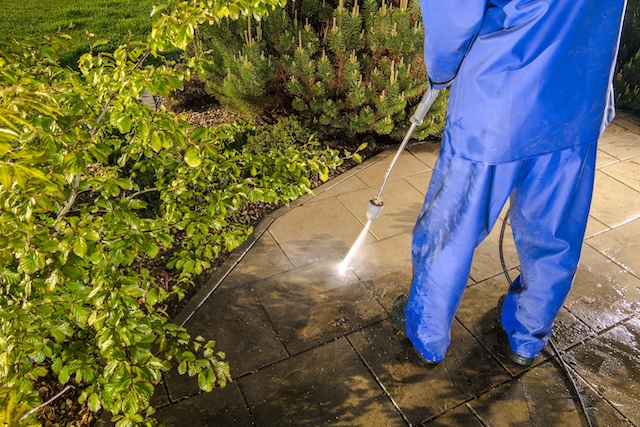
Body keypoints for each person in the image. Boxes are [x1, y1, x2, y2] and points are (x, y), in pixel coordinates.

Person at [393, 0, 629, 366]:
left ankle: (428, 335)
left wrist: (440, 73)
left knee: (451, 230)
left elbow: (453, 14)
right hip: (577, 100)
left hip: (496, 101)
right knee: (554, 235)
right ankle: (527, 337)